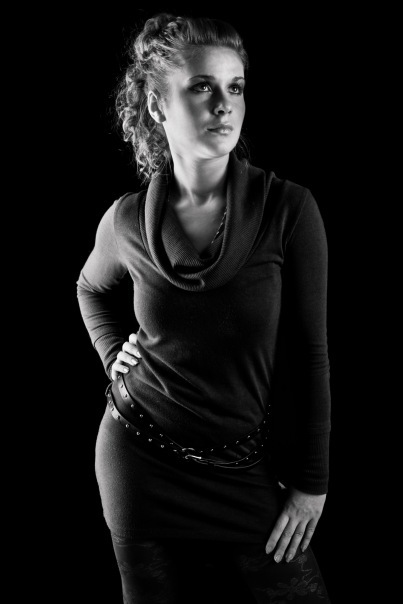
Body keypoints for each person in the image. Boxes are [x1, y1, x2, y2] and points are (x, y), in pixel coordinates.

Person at [77, 12, 332, 603]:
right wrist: (113, 353)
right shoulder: (126, 219)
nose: (224, 105)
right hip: (138, 465)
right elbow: (90, 289)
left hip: (244, 469)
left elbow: (310, 352)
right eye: (202, 87)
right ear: (157, 105)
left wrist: (312, 483)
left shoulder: (288, 210)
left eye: (235, 87)